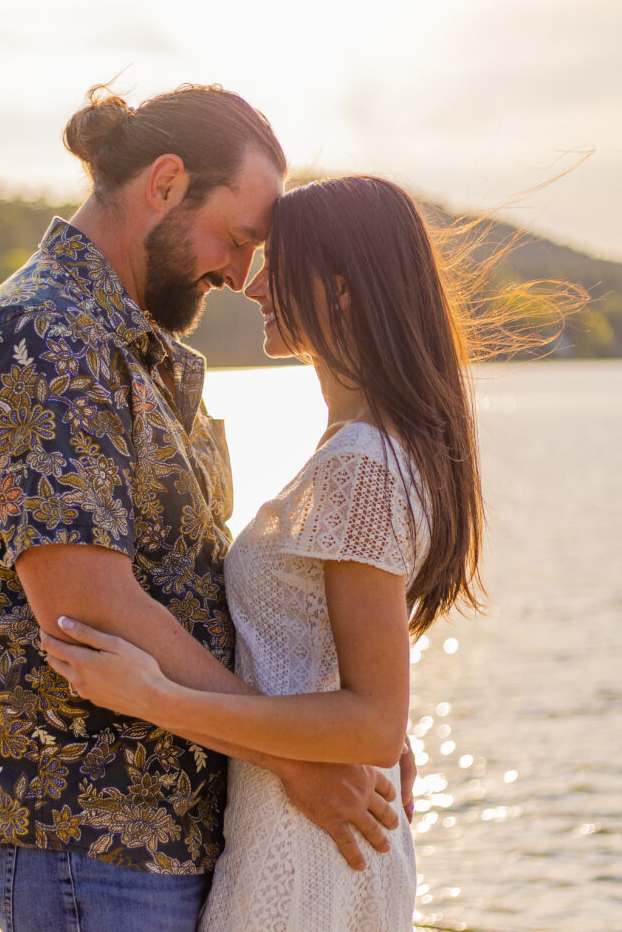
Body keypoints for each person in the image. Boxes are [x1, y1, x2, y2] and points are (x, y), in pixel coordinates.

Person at [0, 89, 413, 932]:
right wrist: (293, 760)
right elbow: (89, 610)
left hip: (167, 829)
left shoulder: (138, 350)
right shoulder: (47, 336)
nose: (243, 275)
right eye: (239, 239)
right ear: (164, 184)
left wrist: (335, 722)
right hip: (89, 824)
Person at [41, 175, 486, 931]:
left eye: (277, 261)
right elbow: (341, 682)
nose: (251, 284)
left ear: (339, 288)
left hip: (307, 857)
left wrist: (156, 697)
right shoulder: (370, 452)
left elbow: (374, 720)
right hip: (307, 837)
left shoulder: (362, 464)